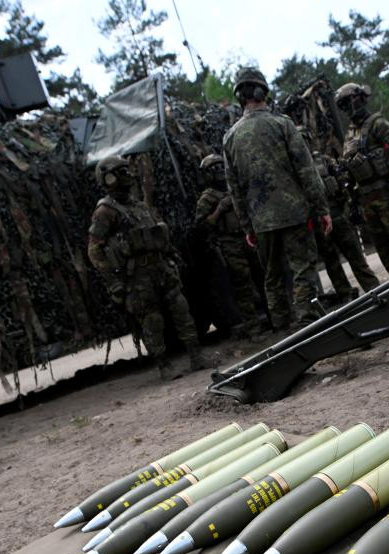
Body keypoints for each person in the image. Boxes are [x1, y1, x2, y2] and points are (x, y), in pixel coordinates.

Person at [222, 67, 332, 331]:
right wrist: (322, 208)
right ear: (262, 92)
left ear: (240, 97)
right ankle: (308, 322)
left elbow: (234, 188)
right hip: (294, 214)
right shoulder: (283, 125)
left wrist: (247, 226)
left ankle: (282, 329)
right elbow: (307, 171)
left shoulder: (230, 137)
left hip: (261, 222)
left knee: (271, 276)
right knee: (303, 269)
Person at [87, 155, 211, 378]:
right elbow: (94, 250)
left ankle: (196, 356)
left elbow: (157, 233)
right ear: (109, 178)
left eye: (127, 171)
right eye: (120, 172)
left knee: (181, 310)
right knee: (152, 319)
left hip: (161, 267)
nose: (127, 176)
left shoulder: (139, 205)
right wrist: (115, 281)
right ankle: (163, 365)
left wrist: (172, 255)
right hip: (137, 276)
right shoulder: (105, 212)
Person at [335, 82, 389, 277]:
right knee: (384, 253)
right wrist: (353, 203)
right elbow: (348, 170)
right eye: (343, 105)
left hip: (386, 196)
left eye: (348, 102)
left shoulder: (379, 124)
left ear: (359, 99)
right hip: (367, 201)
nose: (347, 109)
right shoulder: (350, 134)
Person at [300, 126, 381, 298]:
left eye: (304, 139)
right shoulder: (294, 171)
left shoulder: (324, 160)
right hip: (316, 222)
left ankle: (374, 289)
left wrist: (348, 205)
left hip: (336, 214)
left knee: (356, 256)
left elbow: (343, 182)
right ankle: (346, 296)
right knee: (331, 263)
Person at [194, 154, 263, 340]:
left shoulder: (235, 186)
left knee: (264, 278)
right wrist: (219, 210)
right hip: (229, 243)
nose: (218, 172)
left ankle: (278, 319)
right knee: (243, 286)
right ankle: (253, 329)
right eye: (213, 168)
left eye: (219, 166)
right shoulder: (207, 198)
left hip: (248, 237)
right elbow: (201, 227)